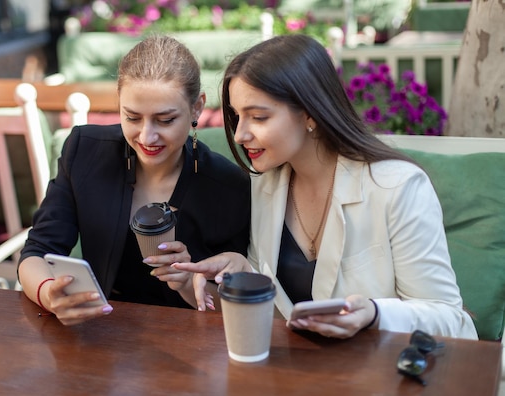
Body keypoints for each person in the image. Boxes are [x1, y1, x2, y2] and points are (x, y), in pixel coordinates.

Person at [173, 34, 478, 340]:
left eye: (258, 117)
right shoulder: (264, 188)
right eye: (237, 117)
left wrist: (374, 313)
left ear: (309, 113)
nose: (239, 134)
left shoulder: (398, 187)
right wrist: (241, 274)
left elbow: (451, 319)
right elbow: (278, 312)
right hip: (301, 376)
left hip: (386, 376)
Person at [18, 35, 250, 326]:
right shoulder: (85, 151)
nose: (146, 137)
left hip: (189, 343)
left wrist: (188, 283)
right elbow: (38, 250)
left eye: (165, 120)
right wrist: (48, 293)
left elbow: (238, 306)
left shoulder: (230, 187)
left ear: (197, 108)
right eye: (132, 117)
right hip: (99, 333)